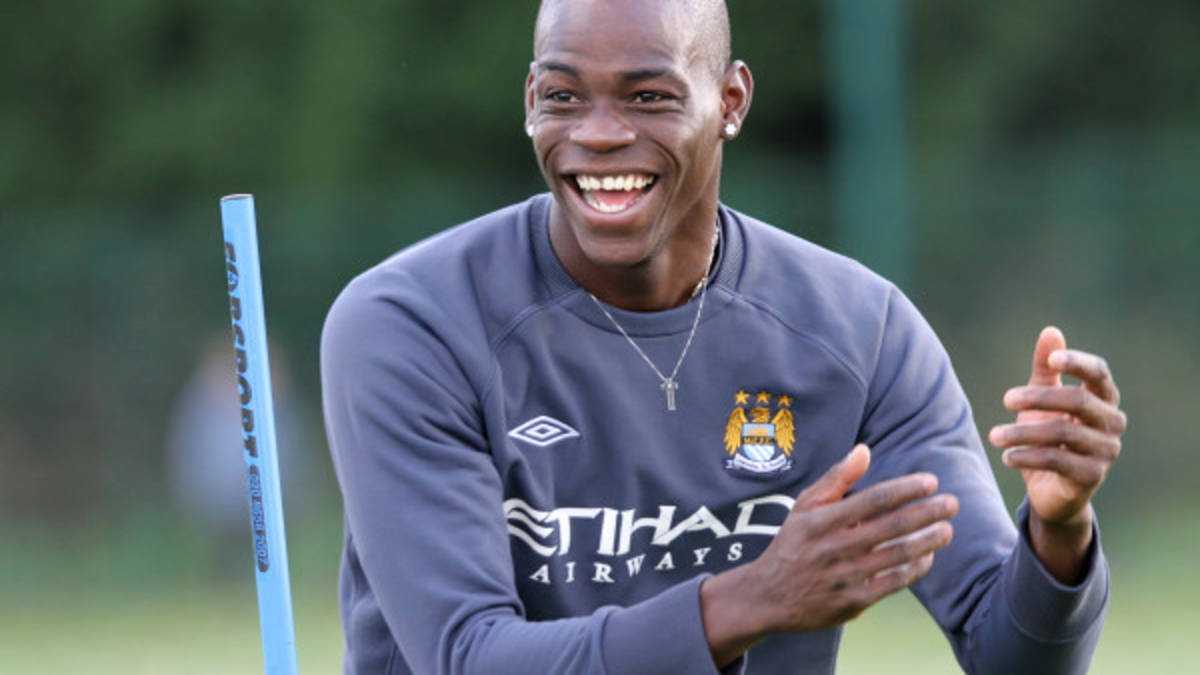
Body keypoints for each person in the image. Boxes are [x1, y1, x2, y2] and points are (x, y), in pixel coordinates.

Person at [320, 1, 1126, 673]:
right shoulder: (413, 324)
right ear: (531, 98)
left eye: (648, 97)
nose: (598, 133)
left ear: (731, 100)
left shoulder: (861, 332)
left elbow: (1009, 655)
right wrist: (753, 598)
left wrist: (1057, 533)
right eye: (564, 96)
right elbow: (469, 658)